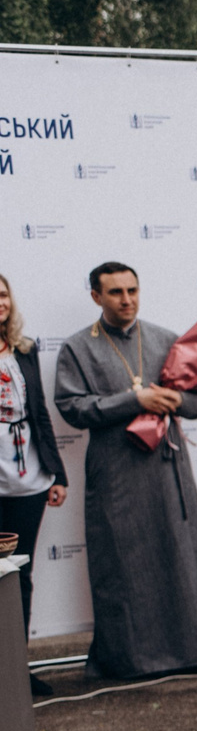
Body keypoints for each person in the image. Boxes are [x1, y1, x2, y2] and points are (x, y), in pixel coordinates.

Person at [51, 261, 197, 680]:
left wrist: (173, 402)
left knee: (181, 554)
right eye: (115, 292)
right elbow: (72, 408)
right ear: (96, 297)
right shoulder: (78, 347)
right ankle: (130, 660)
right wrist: (136, 401)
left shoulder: (168, 339)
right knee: (123, 562)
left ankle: (195, 651)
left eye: (132, 290)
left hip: (167, 467)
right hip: (116, 472)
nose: (126, 300)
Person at [0, 274, 68, 697]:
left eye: (2, 294)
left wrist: (57, 474)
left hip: (30, 480)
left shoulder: (24, 350)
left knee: (19, 576)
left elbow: (40, 412)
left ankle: (15, 669)